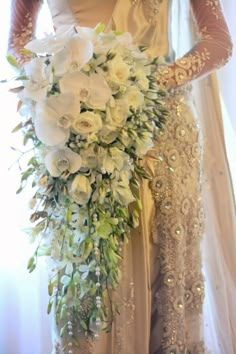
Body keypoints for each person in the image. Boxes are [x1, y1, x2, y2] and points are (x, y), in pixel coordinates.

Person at [7, 1, 236, 353]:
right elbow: (17, 43)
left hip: (160, 134)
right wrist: (54, 82)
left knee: (163, 271)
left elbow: (219, 40)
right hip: (74, 137)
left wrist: (146, 83)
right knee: (88, 281)